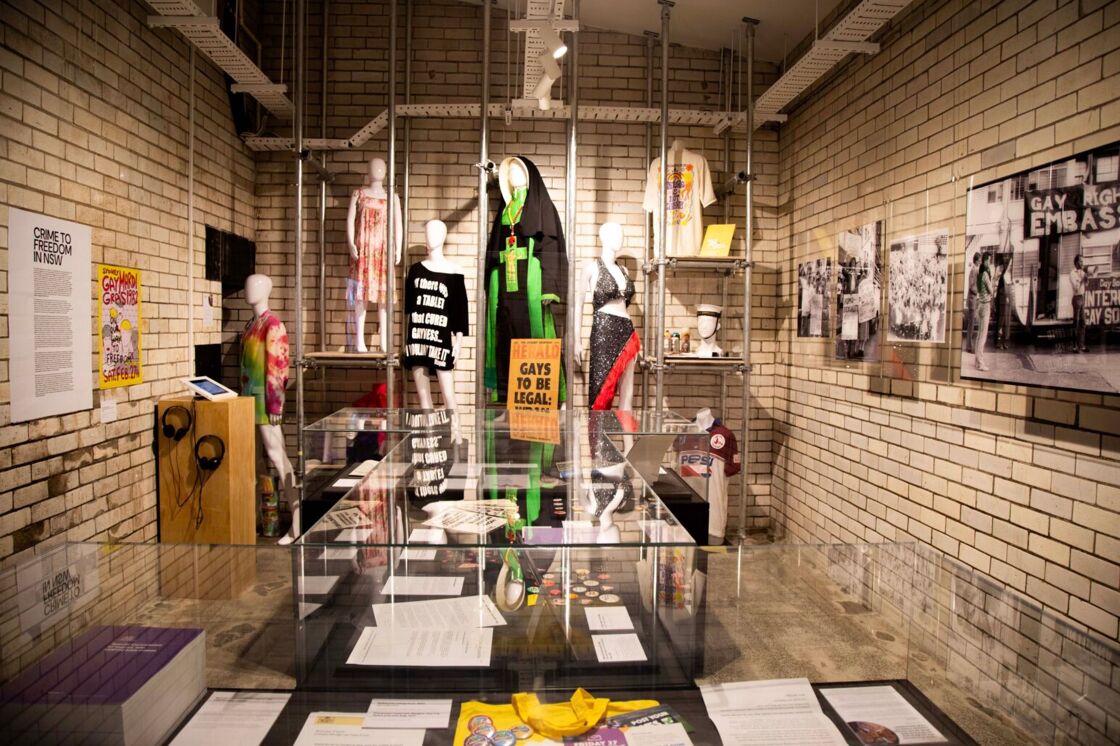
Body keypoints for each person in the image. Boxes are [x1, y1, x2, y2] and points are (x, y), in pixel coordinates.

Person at [974, 253, 993, 371]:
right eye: (989, 261)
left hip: (979, 305)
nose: (989, 263)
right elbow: (991, 290)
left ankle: (977, 361)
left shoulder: (979, 274)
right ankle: (980, 363)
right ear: (985, 262)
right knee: (983, 336)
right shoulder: (985, 274)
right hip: (985, 306)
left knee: (979, 335)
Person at [963, 251, 980, 352]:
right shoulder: (973, 270)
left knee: (972, 324)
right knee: (971, 325)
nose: (980, 262)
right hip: (972, 300)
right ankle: (969, 346)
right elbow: (972, 286)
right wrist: (979, 292)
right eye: (979, 260)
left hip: (973, 300)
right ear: (976, 260)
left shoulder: (975, 269)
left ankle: (969, 345)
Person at [1070, 254, 1087, 352]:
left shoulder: (1082, 272)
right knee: (1075, 323)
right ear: (1076, 262)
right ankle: (1074, 346)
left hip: (1082, 297)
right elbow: (1076, 288)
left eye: (1082, 261)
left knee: (1083, 323)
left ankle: (1081, 345)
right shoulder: (1072, 273)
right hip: (1076, 298)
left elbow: (1086, 283)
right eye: (1080, 261)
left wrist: (1086, 276)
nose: (1082, 263)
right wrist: (1082, 279)